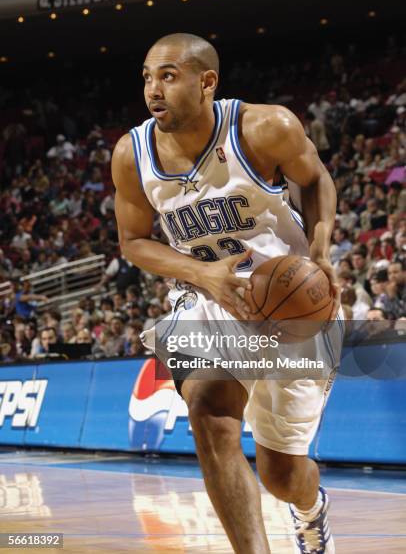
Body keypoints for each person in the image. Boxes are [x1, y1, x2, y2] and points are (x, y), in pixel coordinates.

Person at [112, 33, 343, 554]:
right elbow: (134, 242)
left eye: (168, 76)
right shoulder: (131, 154)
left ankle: (310, 509)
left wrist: (322, 248)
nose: (153, 89)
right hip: (209, 303)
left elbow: (316, 180)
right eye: (147, 76)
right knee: (208, 410)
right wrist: (205, 275)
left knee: (282, 476)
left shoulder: (266, 127)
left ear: (206, 81)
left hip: (293, 308)